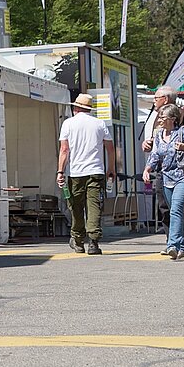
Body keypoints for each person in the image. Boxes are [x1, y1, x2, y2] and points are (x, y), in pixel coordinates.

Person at [56, 93, 116, 256]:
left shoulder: (68, 124)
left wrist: (60, 171)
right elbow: (110, 149)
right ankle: (94, 242)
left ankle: (77, 239)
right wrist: (111, 168)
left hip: (76, 172)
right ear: (88, 109)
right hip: (96, 171)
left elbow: (64, 150)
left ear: (76, 107)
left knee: (76, 206)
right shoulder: (99, 123)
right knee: (94, 206)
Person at [143, 104, 184, 260]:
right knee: (176, 213)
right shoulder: (159, 135)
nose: (160, 120)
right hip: (167, 178)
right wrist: (147, 169)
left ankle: (173, 245)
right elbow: (155, 155)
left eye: (163, 117)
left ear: (173, 118)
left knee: (176, 209)